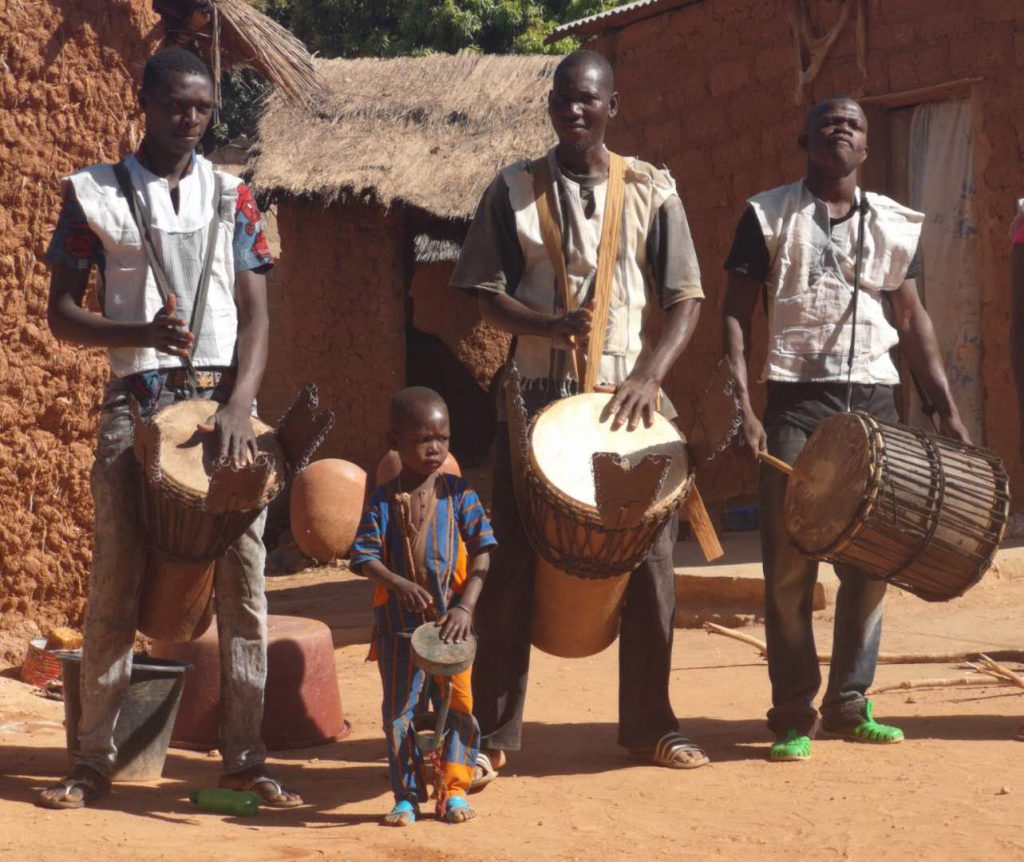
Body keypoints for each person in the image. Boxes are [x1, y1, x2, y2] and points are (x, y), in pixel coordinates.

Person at [38, 48, 300, 808]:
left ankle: (244, 756)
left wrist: (238, 411)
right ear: (143, 101)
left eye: (203, 109)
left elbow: (256, 318)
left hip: (224, 408)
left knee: (244, 584)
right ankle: (94, 758)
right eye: (177, 106)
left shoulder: (234, 197)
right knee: (115, 579)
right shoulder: (94, 195)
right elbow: (60, 314)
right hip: (135, 404)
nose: (190, 121)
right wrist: (134, 331)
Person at [450, 50, 706, 782]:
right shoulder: (514, 190)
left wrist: (650, 376)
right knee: (510, 567)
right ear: (550, 106)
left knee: (653, 568)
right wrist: (545, 324)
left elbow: (686, 298)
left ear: (612, 106)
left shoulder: (653, 189)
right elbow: (482, 292)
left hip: (629, 406)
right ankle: (493, 732)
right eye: (563, 99)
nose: (574, 111)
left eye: (588, 100)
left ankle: (650, 727)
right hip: (534, 400)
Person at [722, 96, 970, 763]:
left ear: (866, 147)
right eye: (830, 121)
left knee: (871, 561)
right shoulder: (765, 214)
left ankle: (850, 703)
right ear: (803, 137)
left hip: (876, 407)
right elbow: (737, 315)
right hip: (796, 406)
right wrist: (743, 404)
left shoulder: (892, 223)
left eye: (855, 124)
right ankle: (793, 713)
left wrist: (943, 404)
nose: (843, 129)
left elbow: (912, 318)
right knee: (789, 566)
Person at [351, 387, 497, 826]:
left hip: (454, 627)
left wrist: (465, 609)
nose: (435, 448)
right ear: (393, 441)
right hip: (398, 627)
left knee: (458, 706)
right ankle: (406, 796)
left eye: (443, 438)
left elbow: (484, 552)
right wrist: (396, 583)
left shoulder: (459, 493)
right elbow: (363, 557)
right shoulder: (381, 500)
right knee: (400, 713)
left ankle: (453, 790)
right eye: (422, 439)